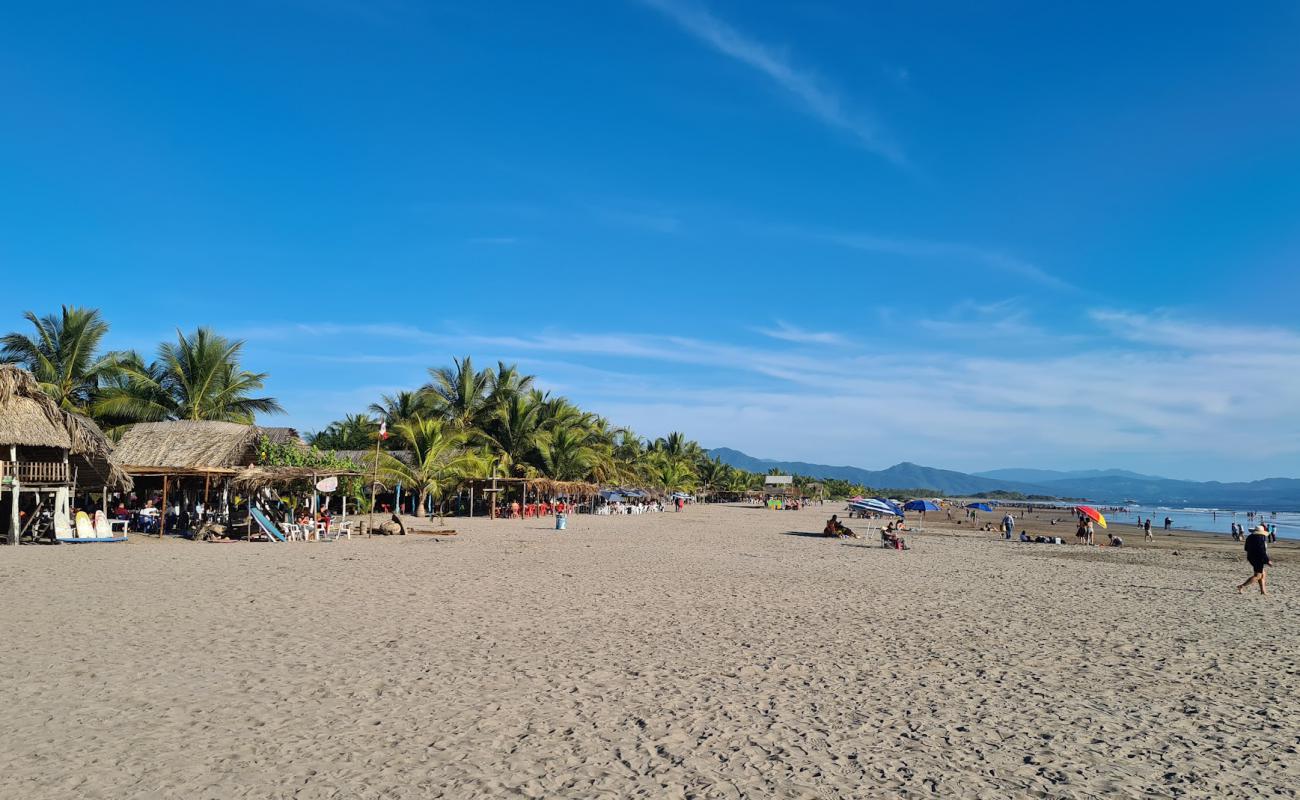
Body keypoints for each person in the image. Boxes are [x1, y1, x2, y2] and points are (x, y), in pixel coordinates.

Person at [1237, 524, 1272, 595]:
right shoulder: (1260, 538)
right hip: (1258, 558)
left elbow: (1246, 548)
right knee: (1258, 575)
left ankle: (1263, 591)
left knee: (1262, 574)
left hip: (1251, 557)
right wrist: (1267, 560)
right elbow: (1262, 550)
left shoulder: (1250, 537)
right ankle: (1242, 586)